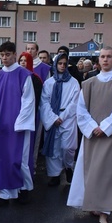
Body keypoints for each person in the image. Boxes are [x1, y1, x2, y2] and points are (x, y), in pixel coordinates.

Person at [67, 46, 112, 223]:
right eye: (102, 57)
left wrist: (105, 127)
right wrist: (91, 127)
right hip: (92, 135)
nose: (105, 60)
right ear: (99, 60)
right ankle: (94, 204)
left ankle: (105, 214)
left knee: (108, 173)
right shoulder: (88, 83)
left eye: (109, 57)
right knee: (91, 170)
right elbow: (80, 109)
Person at [0, 42, 36, 206]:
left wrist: (21, 123)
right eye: (2, 55)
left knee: (19, 159)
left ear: (14, 54)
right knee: (0, 158)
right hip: (1, 125)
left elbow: (28, 101)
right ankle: (2, 195)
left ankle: (23, 189)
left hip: (18, 125)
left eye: (7, 54)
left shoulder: (24, 75)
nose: (4, 58)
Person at [40, 53, 80, 186]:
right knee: (54, 148)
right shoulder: (49, 82)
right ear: (55, 64)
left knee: (68, 147)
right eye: (60, 63)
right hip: (52, 118)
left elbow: (74, 103)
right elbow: (44, 102)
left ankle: (68, 166)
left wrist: (62, 117)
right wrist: (52, 118)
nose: (62, 66)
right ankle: (55, 174)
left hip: (67, 118)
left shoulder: (73, 82)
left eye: (64, 64)